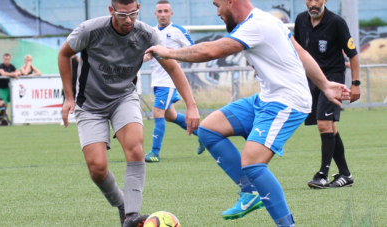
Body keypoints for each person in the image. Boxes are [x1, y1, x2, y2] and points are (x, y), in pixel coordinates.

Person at [146, 0, 351, 226]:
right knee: (208, 129)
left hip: (287, 102)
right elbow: (300, 51)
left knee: (252, 163)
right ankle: (250, 192)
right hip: (266, 98)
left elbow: (210, 50)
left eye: (218, 5)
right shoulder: (265, 20)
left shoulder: (257, 25)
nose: (217, 13)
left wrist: (168, 52)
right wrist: (324, 84)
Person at [57, 0, 199, 227]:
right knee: (97, 168)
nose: (128, 20)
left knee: (135, 147)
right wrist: (69, 97)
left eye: (133, 13)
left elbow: (173, 67)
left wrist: (191, 106)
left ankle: (132, 215)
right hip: (90, 104)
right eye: (122, 15)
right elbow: (64, 54)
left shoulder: (148, 35)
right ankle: (122, 202)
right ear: (111, 10)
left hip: (123, 98)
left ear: (139, 8)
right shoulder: (90, 30)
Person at [294, 0, 360, 189]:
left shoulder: (336, 22)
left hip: (333, 79)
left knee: (324, 124)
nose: (313, 3)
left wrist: (355, 83)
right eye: (310, 0)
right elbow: (296, 52)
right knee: (330, 127)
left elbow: (353, 54)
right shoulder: (300, 20)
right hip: (312, 80)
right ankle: (345, 174)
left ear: (325, 1)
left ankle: (322, 174)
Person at [144, 0, 205, 163]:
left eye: (166, 11)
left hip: (168, 80)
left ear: (171, 14)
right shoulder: (151, 32)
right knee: (170, 116)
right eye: (160, 11)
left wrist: (173, 57)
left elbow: (193, 51)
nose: (163, 14)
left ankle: (154, 153)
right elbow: (147, 53)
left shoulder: (178, 31)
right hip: (157, 80)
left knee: (157, 112)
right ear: (155, 14)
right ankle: (205, 135)